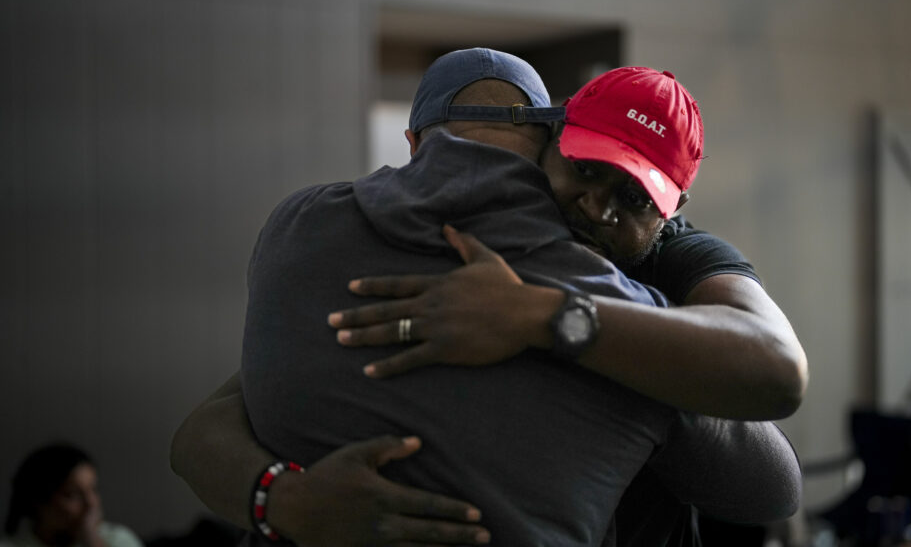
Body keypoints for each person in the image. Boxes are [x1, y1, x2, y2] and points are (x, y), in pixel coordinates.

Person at [171, 49, 806, 546]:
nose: (600, 207)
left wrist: (547, 317)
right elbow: (211, 421)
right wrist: (285, 502)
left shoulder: (672, 263)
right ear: (548, 145)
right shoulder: (434, 270)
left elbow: (776, 397)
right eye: (584, 170)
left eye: (635, 198)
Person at [2, 444, 143, 547]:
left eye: (93, 489)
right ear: (38, 501)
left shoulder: (118, 539)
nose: (92, 503)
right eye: (72, 495)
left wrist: (92, 540)